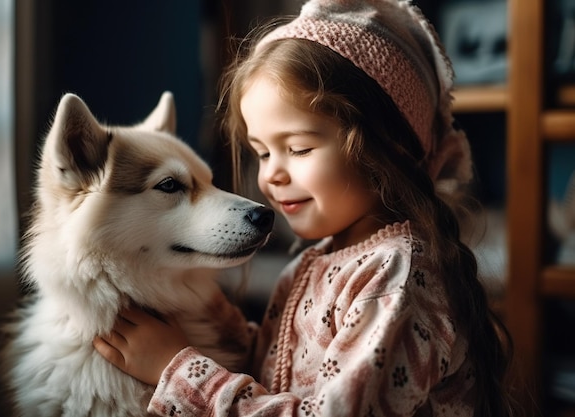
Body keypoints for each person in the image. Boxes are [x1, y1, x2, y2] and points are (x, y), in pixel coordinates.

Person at [93, 0, 516, 415]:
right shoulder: (312, 263)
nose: (271, 176)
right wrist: (212, 318)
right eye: (261, 153)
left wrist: (180, 369)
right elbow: (277, 370)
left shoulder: (395, 278)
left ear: (390, 147)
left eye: (297, 148)